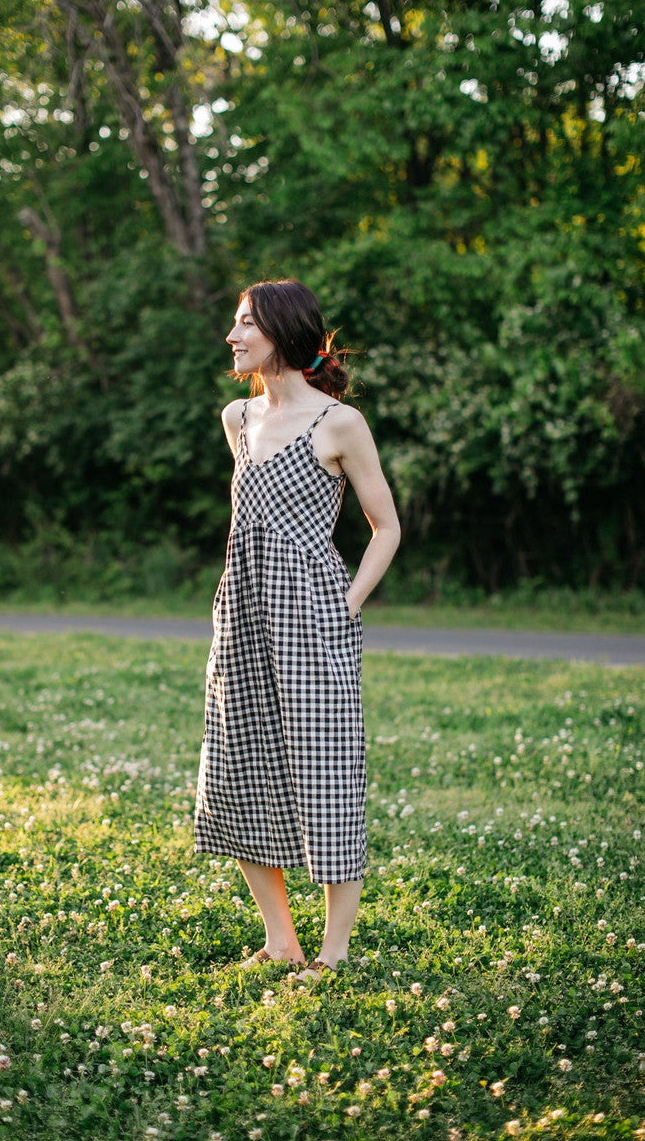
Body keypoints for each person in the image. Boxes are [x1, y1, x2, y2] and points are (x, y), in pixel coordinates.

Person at [194, 278, 400, 979]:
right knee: (241, 768)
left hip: (314, 618)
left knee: (327, 774)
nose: (232, 335)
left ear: (280, 331)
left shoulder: (339, 424)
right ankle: (280, 940)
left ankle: (332, 955)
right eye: (233, 323)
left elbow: (385, 527)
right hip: (244, 617)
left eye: (244, 323)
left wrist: (346, 602)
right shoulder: (236, 419)